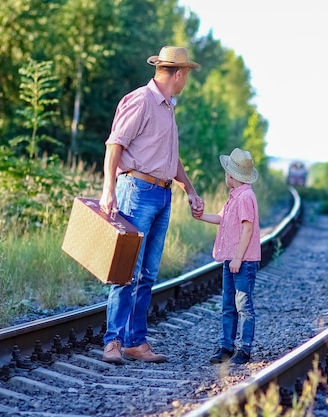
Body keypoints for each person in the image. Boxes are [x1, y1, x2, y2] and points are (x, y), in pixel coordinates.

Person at [99, 46, 204, 364]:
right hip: (136, 189)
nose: (186, 81)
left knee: (148, 274)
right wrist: (108, 190)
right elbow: (115, 144)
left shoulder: (168, 107)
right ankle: (113, 342)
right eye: (186, 75)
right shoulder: (141, 100)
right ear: (180, 73)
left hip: (162, 194)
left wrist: (190, 189)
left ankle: (135, 342)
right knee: (126, 271)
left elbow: (170, 158)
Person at [195, 148, 261, 365]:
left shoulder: (246, 197)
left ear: (231, 175)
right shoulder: (234, 197)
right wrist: (200, 216)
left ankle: (245, 349)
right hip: (231, 260)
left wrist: (238, 258)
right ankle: (226, 346)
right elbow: (221, 219)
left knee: (243, 305)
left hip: (242, 260)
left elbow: (248, 229)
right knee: (228, 304)